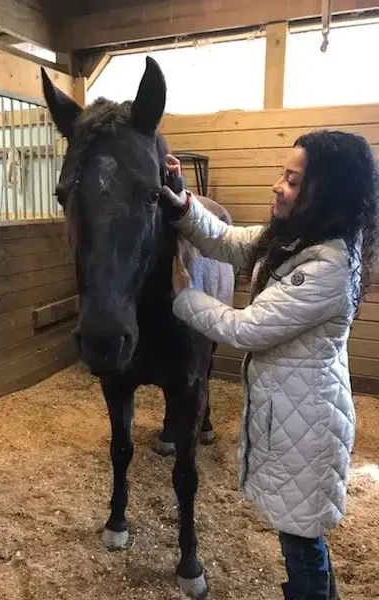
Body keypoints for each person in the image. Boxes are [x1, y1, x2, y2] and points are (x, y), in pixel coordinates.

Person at [161, 130, 379, 600]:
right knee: (302, 536)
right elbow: (227, 240)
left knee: (301, 543)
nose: (278, 186)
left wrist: (184, 298)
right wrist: (181, 202)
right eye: (283, 175)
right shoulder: (300, 238)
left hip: (307, 425)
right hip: (295, 413)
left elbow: (247, 328)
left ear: (329, 195)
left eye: (293, 181)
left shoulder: (328, 266)